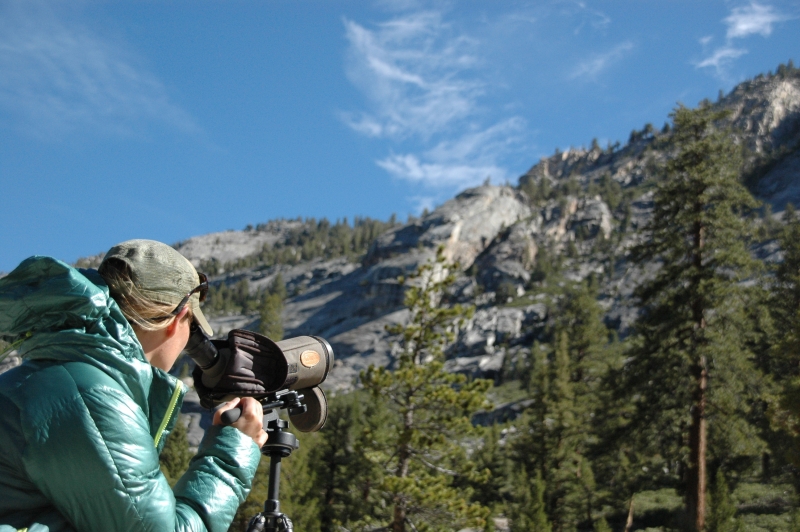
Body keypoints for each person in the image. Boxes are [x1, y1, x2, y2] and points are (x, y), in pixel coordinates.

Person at [0, 239, 267, 532]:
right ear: (177, 320)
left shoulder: (64, 374)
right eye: (191, 327)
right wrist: (231, 453)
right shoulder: (92, 397)